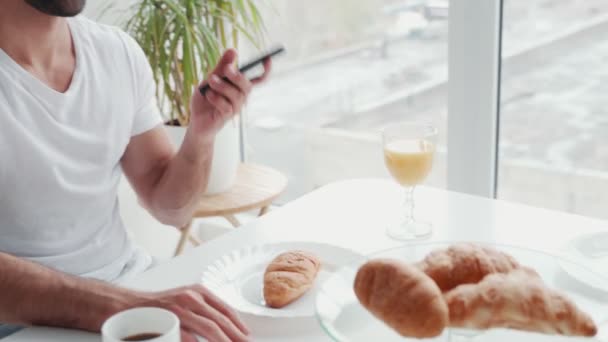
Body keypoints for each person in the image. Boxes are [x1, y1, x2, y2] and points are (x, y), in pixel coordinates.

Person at [0, 0, 271, 341]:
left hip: (131, 287)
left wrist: (201, 135)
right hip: (19, 325)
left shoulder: (116, 53)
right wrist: (119, 305)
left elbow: (171, 208)